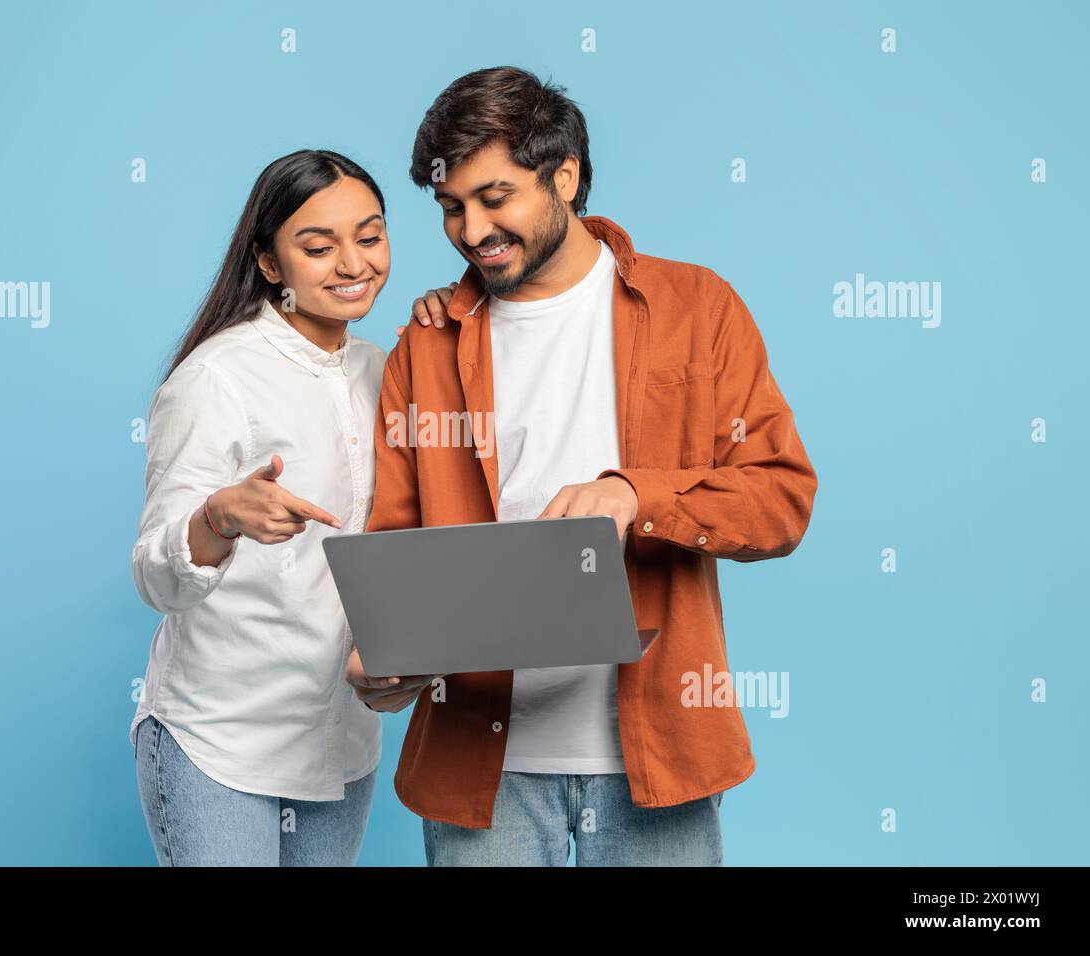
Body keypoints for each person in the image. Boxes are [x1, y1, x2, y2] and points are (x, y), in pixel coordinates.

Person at [348, 66, 819, 866]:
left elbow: (780, 500)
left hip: (658, 752)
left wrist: (637, 494)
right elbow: (395, 550)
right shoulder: (423, 346)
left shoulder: (698, 309)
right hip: (480, 767)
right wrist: (387, 663)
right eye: (451, 207)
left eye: (495, 199)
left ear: (563, 175)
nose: (470, 229)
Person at [129, 149, 395, 866]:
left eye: (369, 237)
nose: (351, 263)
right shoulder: (216, 378)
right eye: (318, 246)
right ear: (269, 263)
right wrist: (219, 516)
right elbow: (155, 578)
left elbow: (399, 550)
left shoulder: (385, 373)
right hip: (220, 741)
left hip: (341, 741)